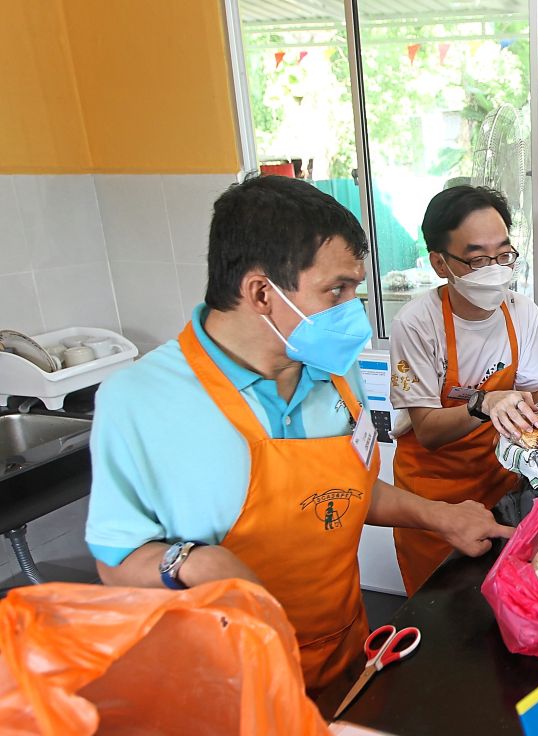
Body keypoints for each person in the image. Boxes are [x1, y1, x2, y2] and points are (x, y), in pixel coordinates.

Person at [86, 175, 513, 694]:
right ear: (261, 292)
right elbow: (116, 560)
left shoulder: (334, 370)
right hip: (224, 679)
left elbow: (342, 489)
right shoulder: (142, 400)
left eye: (356, 288)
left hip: (343, 652)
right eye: (337, 290)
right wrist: (196, 562)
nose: (354, 312)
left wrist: (439, 516)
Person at [387, 186, 538, 595]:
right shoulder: (417, 324)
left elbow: (535, 393)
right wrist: (481, 403)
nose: (495, 269)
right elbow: (427, 430)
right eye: (478, 259)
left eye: (503, 255)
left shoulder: (520, 312)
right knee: (439, 612)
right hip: (435, 498)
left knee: (499, 603)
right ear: (440, 263)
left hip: (500, 486)